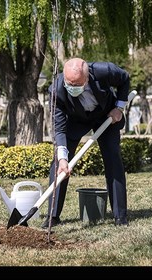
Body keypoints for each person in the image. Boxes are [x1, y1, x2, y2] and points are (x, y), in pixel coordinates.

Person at [42, 57, 130, 229]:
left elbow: (125, 78)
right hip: (76, 120)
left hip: (107, 117)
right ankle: (53, 216)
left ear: (87, 77)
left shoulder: (105, 71)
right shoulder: (56, 90)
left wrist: (119, 108)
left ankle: (120, 216)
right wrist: (62, 158)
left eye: (77, 84)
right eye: (70, 83)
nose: (72, 88)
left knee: (113, 157)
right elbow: (59, 129)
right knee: (59, 165)